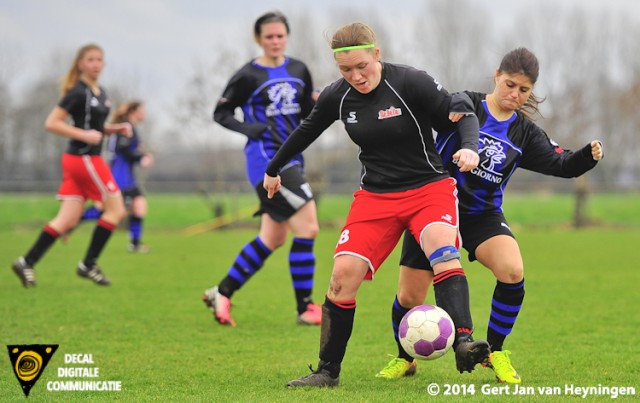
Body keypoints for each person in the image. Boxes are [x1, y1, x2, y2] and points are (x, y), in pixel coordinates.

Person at [264, 22, 490, 388]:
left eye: (362, 67)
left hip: (428, 188)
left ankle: (464, 341)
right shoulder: (338, 96)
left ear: (377, 54)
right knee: (341, 280)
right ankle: (327, 371)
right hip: (376, 197)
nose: (356, 76)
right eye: (345, 70)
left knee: (442, 249)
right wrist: (274, 168)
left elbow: (462, 114)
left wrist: (469, 146)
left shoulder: (410, 82)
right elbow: (307, 129)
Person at [380, 47, 604, 384]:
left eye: (524, 90)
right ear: (496, 76)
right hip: (435, 208)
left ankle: (495, 352)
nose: (515, 95)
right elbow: (432, 112)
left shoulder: (524, 133)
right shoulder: (465, 104)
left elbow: (561, 163)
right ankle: (404, 357)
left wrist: (587, 156)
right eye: (510, 85)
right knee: (409, 298)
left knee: (512, 271)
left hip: (482, 215)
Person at [202, 11, 322, 327]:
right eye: (268, 36)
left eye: (280, 35)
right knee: (308, 227)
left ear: (287, 36)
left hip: (294, 158)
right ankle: (306, 308)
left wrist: (323, 103)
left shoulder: (299, 70)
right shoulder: (247, 75)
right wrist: (251, 129)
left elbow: (309, 113)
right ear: (259, 39)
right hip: (266, 160)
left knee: (273, 237)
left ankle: (222, 292)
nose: (274, 41)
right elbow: (221, 112)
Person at [11, 43, 132, 287]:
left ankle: (27, 261)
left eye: (99, 59)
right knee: (117, 210)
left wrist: (113, 129)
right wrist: (83, 135)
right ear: (80, 64)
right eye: (90, 60)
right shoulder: (78, 92)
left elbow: (95, 128)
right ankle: (89, 264)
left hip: (78, 160)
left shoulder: (101, 93)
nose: (96, 64)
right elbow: (52, 123)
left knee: (66, 220)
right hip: (85, 159)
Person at [108, 100, 154, 253]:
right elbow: (123, 148)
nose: (145, 113)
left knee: (139, 206)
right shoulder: (126, 126)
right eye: (142, 110)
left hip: (128, 176)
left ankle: (135, 244)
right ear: (133, 112)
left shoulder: (130, 126)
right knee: (113, 211)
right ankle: (72, 221)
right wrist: (140, 158)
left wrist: (141, 153)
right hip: (120, 176)